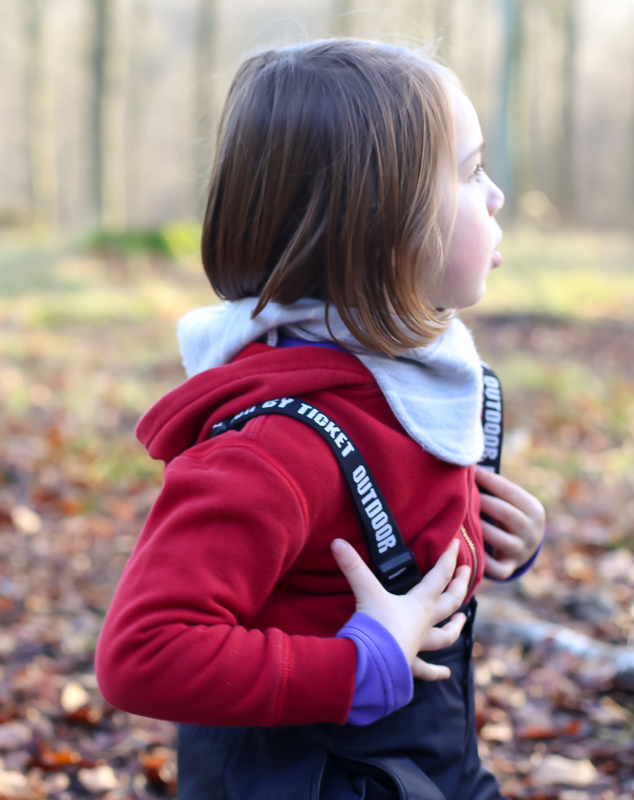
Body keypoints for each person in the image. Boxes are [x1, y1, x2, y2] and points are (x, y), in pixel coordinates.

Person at [96, 39, 546, 800]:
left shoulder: (419, 381)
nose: (497, 196)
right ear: (382, 225)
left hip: (434, 771)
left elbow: (382, 560)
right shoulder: (275, 448)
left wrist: (498, 541)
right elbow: (141, 653)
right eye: (471, 174)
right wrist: (359, 664)